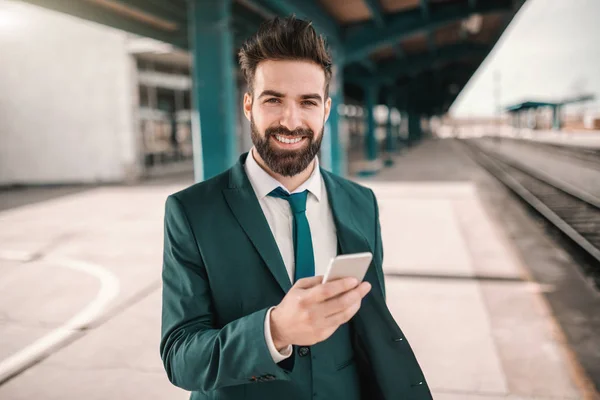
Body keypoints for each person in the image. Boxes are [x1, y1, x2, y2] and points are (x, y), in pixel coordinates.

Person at [160, 16, 431, 400]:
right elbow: (180, 358)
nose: (291, 120)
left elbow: (371, 328)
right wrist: (275, 331)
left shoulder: (361, 202)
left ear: (326, 109)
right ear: (249, 105)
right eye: (274, 100)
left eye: (307, 102)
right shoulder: (191, 211)